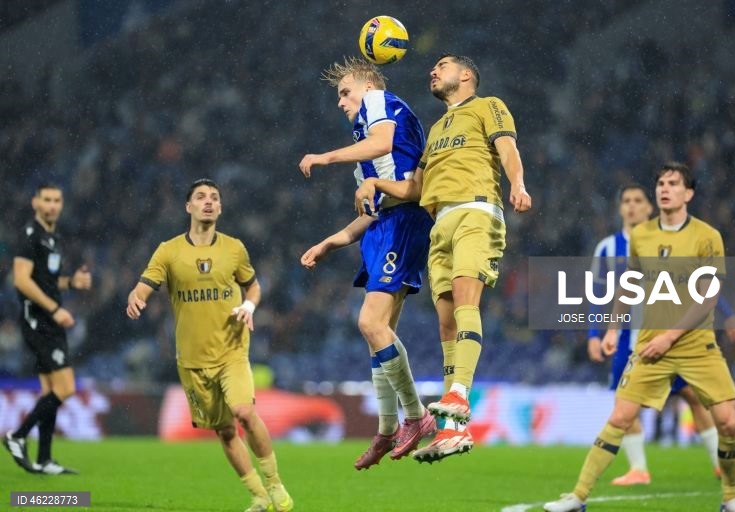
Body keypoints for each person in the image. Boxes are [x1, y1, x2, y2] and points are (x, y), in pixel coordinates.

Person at [544, 163, 735, 512]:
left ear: (688, 194)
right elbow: (628, 285)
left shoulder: (707, 236)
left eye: (673, 183)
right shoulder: (641, 236)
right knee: (620, 418)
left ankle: (731, 498)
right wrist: (612, 329)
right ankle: (577, 497)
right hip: (649, 346)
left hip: (697, 347)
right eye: (660, 183)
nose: (664, 189)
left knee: (728, 421)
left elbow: (708, 298)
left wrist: (670, 338)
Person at [355, 54, 532, 462]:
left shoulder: (488, 106)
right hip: (440, 224)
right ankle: (453, 430)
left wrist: (518, 184)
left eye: (443, 65)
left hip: (476, 210)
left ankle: (460, 395)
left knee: (467, 301)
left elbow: (507, 148)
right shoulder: (435, 130)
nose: (433, 71)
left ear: (466, 74)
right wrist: (374, 182)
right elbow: (415, 187)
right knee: (447, 323)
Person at [299, 56, 436, 470]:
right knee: (381, 334)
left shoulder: (379, 101)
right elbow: (370, 211)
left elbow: (386, 151)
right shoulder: (367, 152)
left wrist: (324, 157)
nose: (341, 102)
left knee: (369, 324)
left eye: (345, 92)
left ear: (367, 84)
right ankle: (387, 428)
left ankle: (416, 416)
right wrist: (330, 241)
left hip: (402, 224)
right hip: (384, 226)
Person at [126, 179, 293, 512]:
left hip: (231, 349)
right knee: (226, 431)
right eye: (200, 197)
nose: (208, 202)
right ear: (188, 206)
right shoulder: (169, 250)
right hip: (192, 360)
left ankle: (275, 484)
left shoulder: (234, 248)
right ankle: (259, 496)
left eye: (214, 198)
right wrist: (137, 296)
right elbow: (146, 283)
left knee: (245, 412)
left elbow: (254, 287)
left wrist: (249, 306)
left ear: (220, 208)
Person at [587, 185, 735, 486]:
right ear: (620, 208)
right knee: (624, 405)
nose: (632, 207)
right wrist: (595, 334)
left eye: (638, 201)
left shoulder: (670, 241)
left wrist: (727, 313)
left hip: (670, 333)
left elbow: (700, 284)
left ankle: (721, 465)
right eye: (626, 201)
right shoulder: (607, 248)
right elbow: (597, 294)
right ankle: (639, 468)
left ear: (650, 208)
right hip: (627, 337)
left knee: (694, 398)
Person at [4, 183, 92, 475]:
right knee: (65, 388)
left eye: (57, 200)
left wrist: (71, 283)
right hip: (39, 321)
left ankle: (43, 459)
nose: (52, 205)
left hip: (49, 321)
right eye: (47, 200)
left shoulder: (53, 238)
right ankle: (17, 436)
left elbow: (47, 282)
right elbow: (21, 280)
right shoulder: (30, 235)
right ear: (35, 202)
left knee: (49, 391)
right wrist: (55, 309)